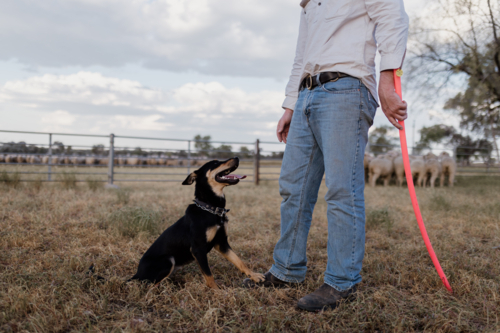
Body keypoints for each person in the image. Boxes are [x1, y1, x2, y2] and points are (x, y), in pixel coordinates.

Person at [243, 0, 409, 311]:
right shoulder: (307, 4)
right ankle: (287, 270)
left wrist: (387, 82)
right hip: (307, 94)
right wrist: (290, 105)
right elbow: (301, 55)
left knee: (341, 190)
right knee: (294, 188)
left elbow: (392, 16)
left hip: (346, 90)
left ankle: (342, 281)